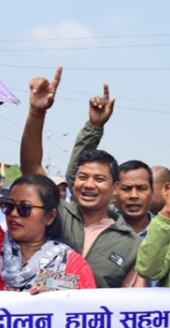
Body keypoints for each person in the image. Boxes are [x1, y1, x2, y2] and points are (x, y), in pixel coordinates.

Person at [0, 101, 96, 291]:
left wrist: (57, 297)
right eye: (8, 206)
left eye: (25, 208)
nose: (13, 214)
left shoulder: (73, 265)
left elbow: (85, 304)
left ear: (50, 216)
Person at [20, 67, 142, 288]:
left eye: (99, 179)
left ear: (115, 188)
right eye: (83, 177)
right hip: (40, 309)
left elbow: (129, 301)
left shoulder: (131, 244)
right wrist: (36, 112)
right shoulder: (56, 213)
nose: (89, 185)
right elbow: (31, 167)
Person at [114, 160, 153, 237]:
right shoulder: (102, 231)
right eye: (126, 189)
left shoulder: (169, 233)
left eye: (141, 188)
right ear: (114, 192)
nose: (134, 195)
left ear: (152, 192)